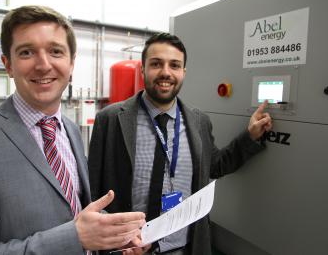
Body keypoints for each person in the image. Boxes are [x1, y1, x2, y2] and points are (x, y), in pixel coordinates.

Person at [0, 5, 146, 255]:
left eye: (55, 51)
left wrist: (116, 237)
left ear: (71, 63)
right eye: (27, 52)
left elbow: (73, 212)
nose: (43, 65)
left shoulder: (70, 130)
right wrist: (75, 238)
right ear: (7, 65)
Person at [88, 32, 273, 254]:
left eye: (174, 65)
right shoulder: (110, 119)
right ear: (142, 69)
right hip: (127, 249)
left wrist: (250, 136)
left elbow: (215, 165)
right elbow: (92, 190)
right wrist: (114, 240)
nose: (166, 72)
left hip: (184, 248)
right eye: (156, 64)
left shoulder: (199, 121)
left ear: (183, 72)